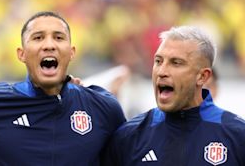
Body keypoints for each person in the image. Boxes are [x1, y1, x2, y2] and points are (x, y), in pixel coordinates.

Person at [0, 11, 126, 165]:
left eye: (58, 38)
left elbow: (129, 152)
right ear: (22, 54)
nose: (49, 45)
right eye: (38, 38)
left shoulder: (102, 107)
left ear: (72, 52)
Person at [104, 26, 245, 165]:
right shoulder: (129, 136)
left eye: (176, 63)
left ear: (202, 76)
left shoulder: (237, 136)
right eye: (158, 61)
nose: (162, 71)